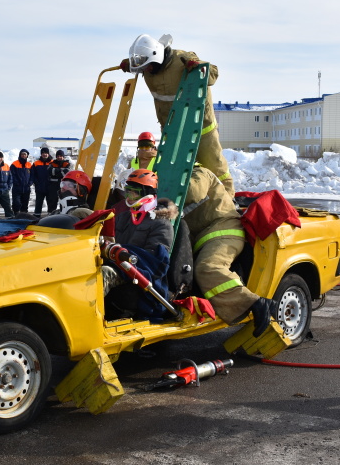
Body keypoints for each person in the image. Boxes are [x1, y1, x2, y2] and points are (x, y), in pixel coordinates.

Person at [121, 34, 235, 196]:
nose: (145, 70)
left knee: (215, 168)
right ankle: (177, 203)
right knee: (172, 172)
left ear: (156, 57)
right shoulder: (148, 66)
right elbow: (141, 66)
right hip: (172, 131)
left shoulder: (182, 59)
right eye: (142, 67)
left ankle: (229, 202)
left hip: (200, 127)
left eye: (146, 66)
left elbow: (213, 75)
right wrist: (131, 64)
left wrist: (199, 66)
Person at [182, 164, 276, 337]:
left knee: (207, 268)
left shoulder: (199, 172)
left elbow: (193, 192)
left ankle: (256, 304)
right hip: (206, 236)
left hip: (224, 231)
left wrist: (161, 188)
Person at [103, 169, 179, 320]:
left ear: (147, 194)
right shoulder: (122, 217)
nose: (129, 196)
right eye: (127, 191)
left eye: (134, 192)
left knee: (104, 273)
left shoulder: (162, 224)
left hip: (139, 278)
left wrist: (124, 254)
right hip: (117, 264)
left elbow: (156, 263)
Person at [31, 147, 53, 215]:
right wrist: (36, 183)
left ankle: (50, 216)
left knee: (51, 203)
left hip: (50, 187)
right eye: (43, 153)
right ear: (41, 154)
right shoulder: (36, 163)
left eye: (46, 153)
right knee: (38, 203)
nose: (44, 154)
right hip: (40, 187)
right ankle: (37, 216)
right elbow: (33, 175)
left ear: (48, 154)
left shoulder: (53, 163)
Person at [10, 149, 33, 213]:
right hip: (17, 187)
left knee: (25, 204)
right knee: (16, 203)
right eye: (22, 154)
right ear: (20, 155)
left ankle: (24, 215)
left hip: (26, 188)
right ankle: (16, 214)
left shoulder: (29, 164)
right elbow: (12, 174)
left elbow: (32, 175)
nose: (23, 155)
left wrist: (30, 182)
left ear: (27, 156)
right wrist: (16, 182)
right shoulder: (14, 164)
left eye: (25, 154)